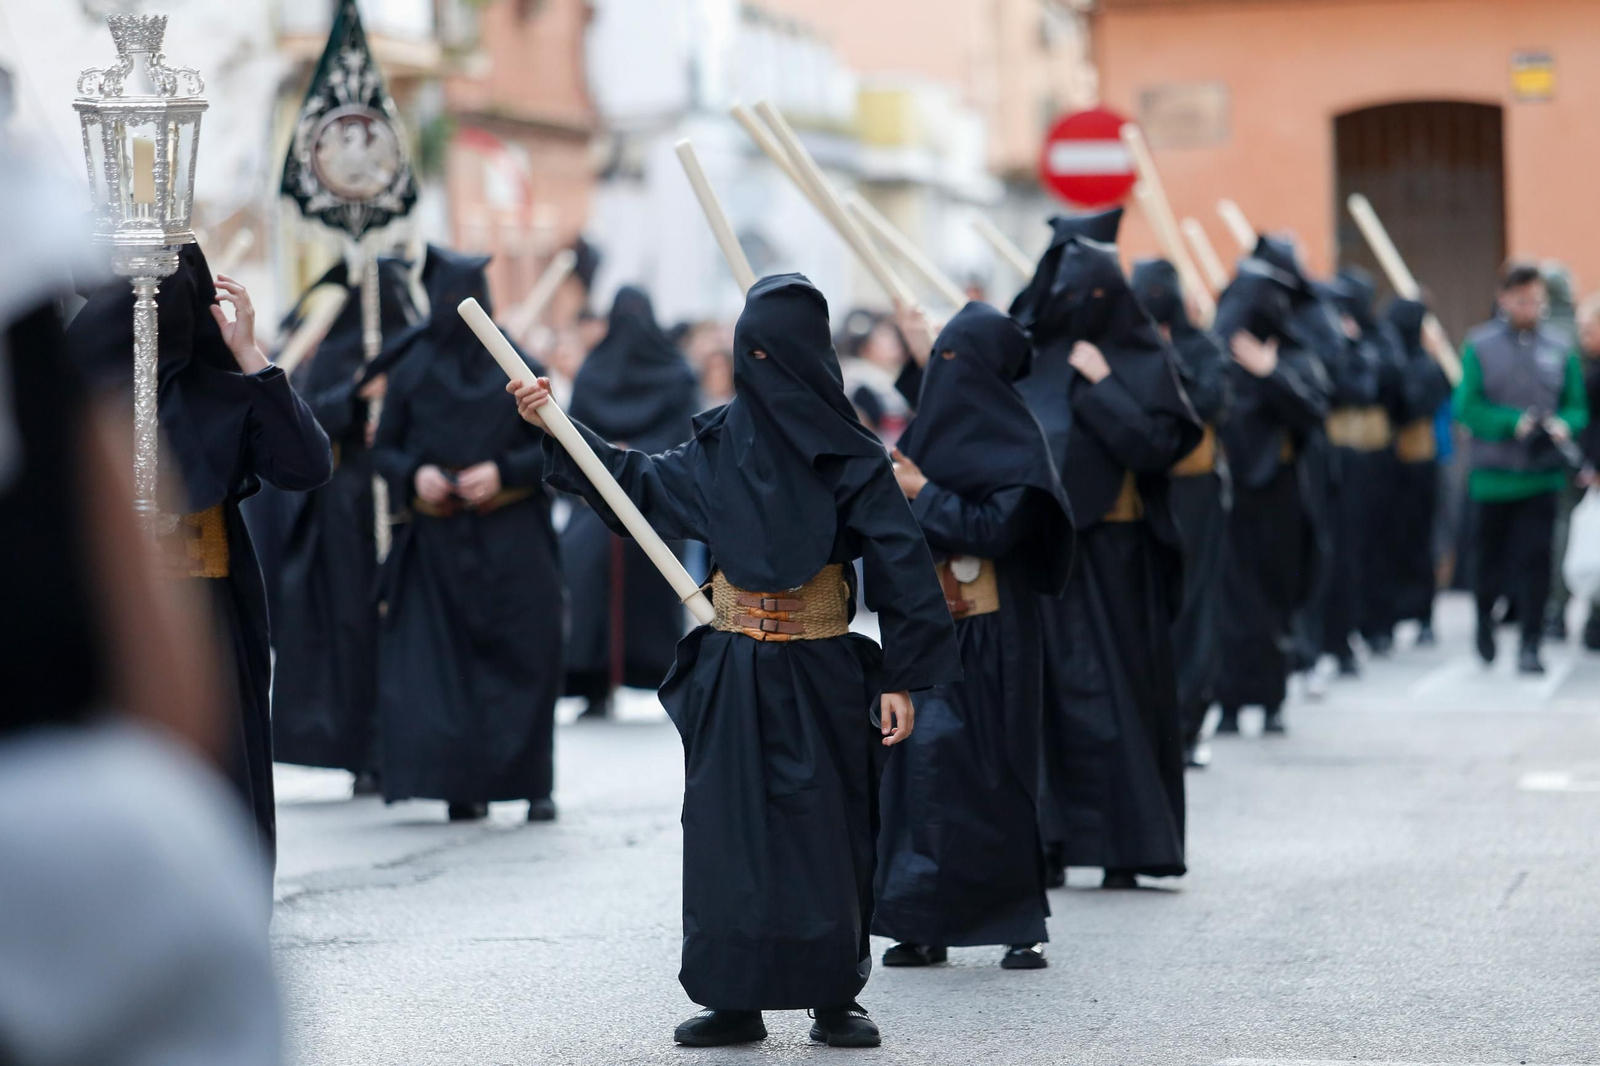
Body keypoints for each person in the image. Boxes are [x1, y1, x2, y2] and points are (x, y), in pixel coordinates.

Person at [510, 273, 959, 1049]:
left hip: (823, 666)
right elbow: (638, 485)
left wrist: (901, 678)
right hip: (734, 666)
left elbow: (902, 561)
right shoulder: (720, 443)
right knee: (727, 834)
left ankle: (833, 996)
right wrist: (559, 426)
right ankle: (733, 994)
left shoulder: (851, 455)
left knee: (831, 832)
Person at [67, 244, 335, 870]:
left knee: (216, 782)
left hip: (207, 621)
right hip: (98, 625)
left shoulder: (222, 394)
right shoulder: (69, 397)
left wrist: (249, 356)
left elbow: (306, 465)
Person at [873, 302, 1074, 970]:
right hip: (932, 628)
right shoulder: (930, 431)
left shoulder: (1018, 443)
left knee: (997, 772)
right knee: (924, 774)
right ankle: (922, 921)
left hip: (997, 630)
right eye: (941, 360)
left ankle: (1018, 922)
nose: (946, 374)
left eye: (958, 361)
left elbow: (997, 529)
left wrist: (923, 492)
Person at [1012, 233, 1202, 890]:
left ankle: (1128, 845)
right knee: (1055, 700)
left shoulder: (1138, 357)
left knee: (1123, 696)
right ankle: (1054, 838)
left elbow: (1155, 446)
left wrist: (1103, 385)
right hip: (1053, 553)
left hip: (1122, 556)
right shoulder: (1034, 355)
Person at [370, 246, 564, 822]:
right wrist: (416, 475)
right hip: (439, 543)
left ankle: (532, 783)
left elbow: (558, 443)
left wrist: (503, 472)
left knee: (524, 659)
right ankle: (463, 783)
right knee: (448, 669)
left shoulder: (516, 364)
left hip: (512, 537)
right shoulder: (412, 368)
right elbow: (386, 449)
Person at [267, 256, 419, 788]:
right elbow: (307, 415)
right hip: (348, 510)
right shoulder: (334, 354)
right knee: (354, 627)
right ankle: (364, 747)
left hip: (407, 507)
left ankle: (409, 745)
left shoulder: (417, 348)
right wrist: (357, 397)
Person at [561, 286, 698, 717]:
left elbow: (684, 435)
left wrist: (620, 456)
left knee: (649, 591)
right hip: (604, 505)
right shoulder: (666, 370)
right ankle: (593, 680)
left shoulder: (663, 372)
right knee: (590, 590)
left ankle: (654, 674)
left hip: (651, 501)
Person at [1211, 260, 1331, 735]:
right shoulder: (1218, 356)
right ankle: (1230, 701)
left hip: (1279, 494)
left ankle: (1272, 696)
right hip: (1229, 494)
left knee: (1275, 599)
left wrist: (1270, 372)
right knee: (1230, 604)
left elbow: (1312, 411)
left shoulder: (1295, 356)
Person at [1454, 261, 1589, 674]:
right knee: (1488, 562)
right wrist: (1512, 424)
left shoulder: (1559, 348)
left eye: (1535, 299)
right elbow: (1467, 406)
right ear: (1504, 299)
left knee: (1536, 562)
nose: (1529, 307)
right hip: (1492, 477)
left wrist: (1564, 424)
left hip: (1541, 476)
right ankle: (1484, 623)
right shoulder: (1481, 345)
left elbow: (1577, 405)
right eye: (1520, 299)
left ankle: (1531, 643)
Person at [1132, 257, 1232, 769]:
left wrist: (1170, 360)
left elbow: (1212, 402)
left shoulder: (1204, 349)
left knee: (1194, 605)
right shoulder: (1123, 350)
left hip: (1194, 492)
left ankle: (1189, 720)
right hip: (1140, 493)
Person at [1384, 296, 1455, 646]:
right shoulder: (1413, 364)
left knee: (1416, 538)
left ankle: (1419, 613)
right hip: (1404, 463)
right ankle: (1408, 613)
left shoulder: (1414, 365)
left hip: (1414, 459)